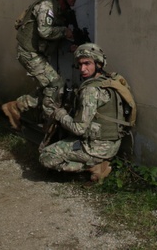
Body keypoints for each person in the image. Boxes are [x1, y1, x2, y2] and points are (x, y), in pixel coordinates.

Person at [39, 43, 129, 183]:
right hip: (112, 145)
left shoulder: (90, 91)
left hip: (95, 149)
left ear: (98, 63)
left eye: (87, 63)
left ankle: (94, 168)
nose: (82, 69)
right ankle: (98, 163)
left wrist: (60, 114)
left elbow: (79, 129)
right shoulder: (110, 81)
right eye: (80, 64)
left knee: (46, 156)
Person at [1, 0, 82, 130]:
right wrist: (64, 31)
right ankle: (49, 121)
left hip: (37, 53)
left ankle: (17, 107)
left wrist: (70, 45)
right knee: (56, 84)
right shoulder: (47, 6)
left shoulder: (62, 10)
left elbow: (55, 35)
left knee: (49, 87)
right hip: (28, 52)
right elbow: (45, 31)